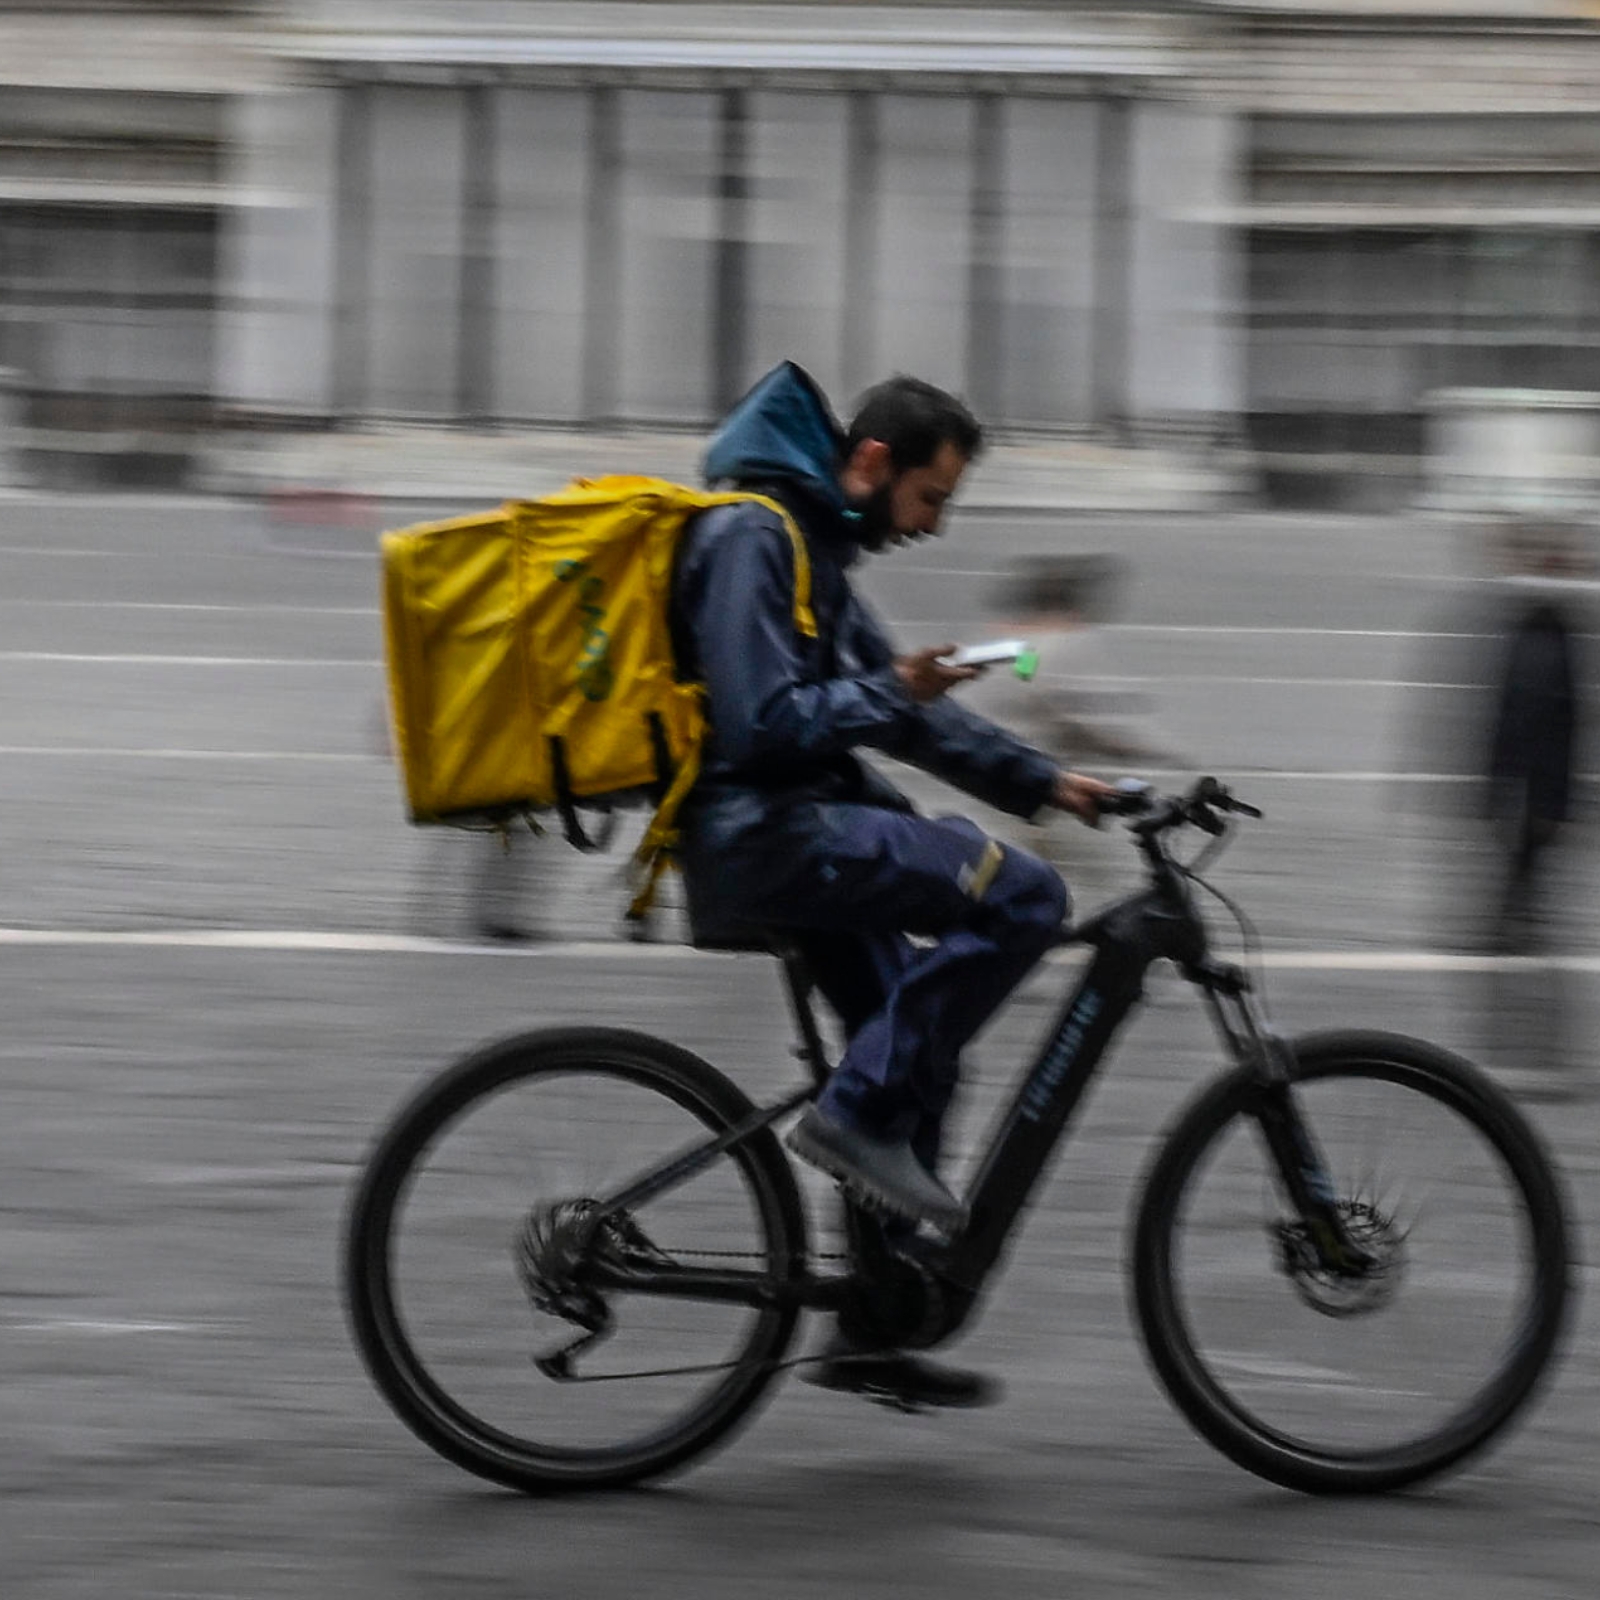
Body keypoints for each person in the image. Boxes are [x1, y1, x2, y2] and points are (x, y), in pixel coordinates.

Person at [669, 361, 1112, 1407]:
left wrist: (1049, 780)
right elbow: (760, 723)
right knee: (1027, 898)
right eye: (929, 498)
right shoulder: (750, 535)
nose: (932, 524)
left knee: (922, 1058)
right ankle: (856, 1114)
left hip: (799, 831)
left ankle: (869, 1327)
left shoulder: (812, 547)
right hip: (766, 835)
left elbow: (911, 720)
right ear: (872, 461)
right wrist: (887, 685)